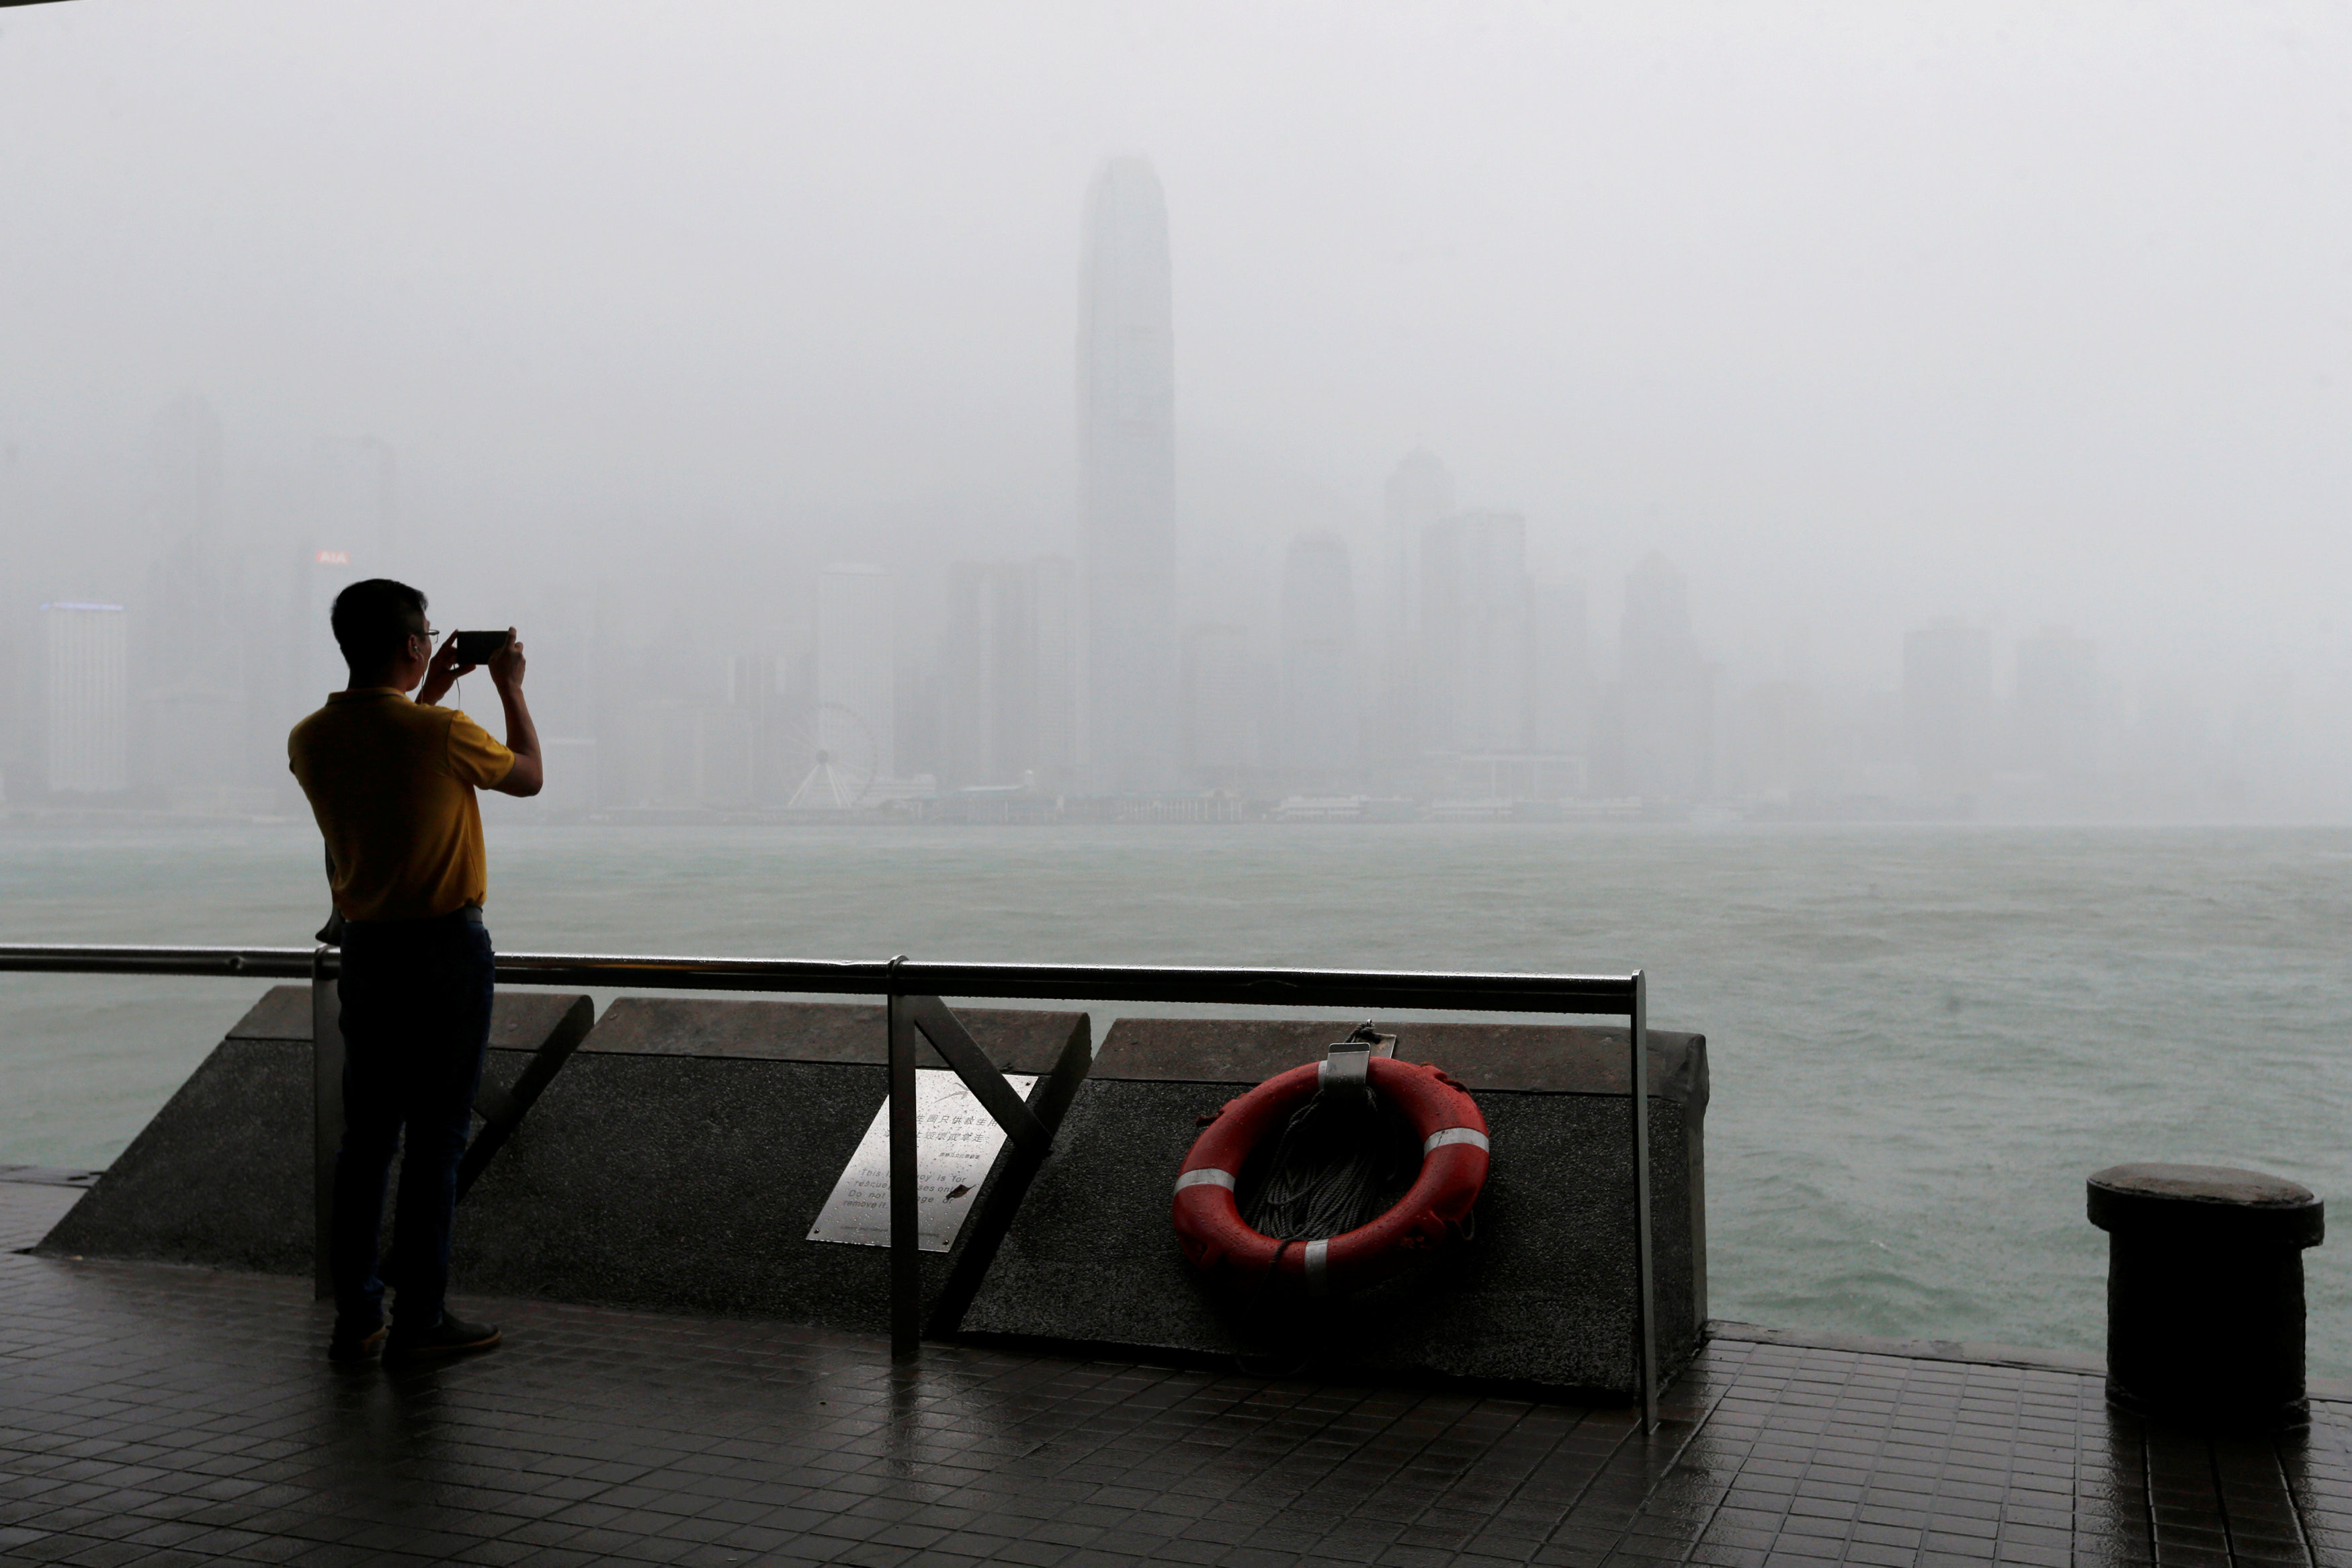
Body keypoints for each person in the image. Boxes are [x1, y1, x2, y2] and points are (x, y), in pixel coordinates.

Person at [287, 579, 543, 1364]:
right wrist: (508, 688)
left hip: (367, 952)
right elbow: (527, 775)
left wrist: (430, 689)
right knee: (435, 1142)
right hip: (443, 953)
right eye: (426, 635)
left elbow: (391, 760)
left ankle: (356, 1318)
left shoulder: (310, 739)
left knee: (366, 1144)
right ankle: (420, 1320)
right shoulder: (443, 734)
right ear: (408, 644)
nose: (431, 644)